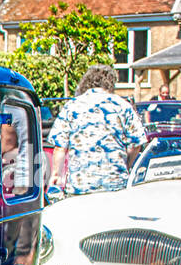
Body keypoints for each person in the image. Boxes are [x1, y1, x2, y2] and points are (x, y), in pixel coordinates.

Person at [48, 64, 147, 194]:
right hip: (115, 184)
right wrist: (125, 165)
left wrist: (56, 175)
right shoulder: (123, 105)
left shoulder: (72, 106)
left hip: (80, 185)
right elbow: (136, 144)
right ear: (111, 83)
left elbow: (60, 147)